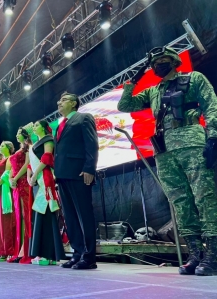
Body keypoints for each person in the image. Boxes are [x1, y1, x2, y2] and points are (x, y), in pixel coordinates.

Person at [117, 47, 217, 276]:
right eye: (156, 63)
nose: (159, 65)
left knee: (205, 197)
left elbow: (211, 105)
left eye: (163, 60)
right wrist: (132, 82)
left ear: (173, 61)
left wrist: (213, 135)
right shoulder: (153, 91)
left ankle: (213, 255)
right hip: (164, 150)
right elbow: (125, 106)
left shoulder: (194, 79)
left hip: (192, 141)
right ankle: (195, 254)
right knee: (180, 202)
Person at [54, 91, 99, 270]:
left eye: (63, 100)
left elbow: (91, 144)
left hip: (79, 173)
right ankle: (77, 253)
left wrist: (89, 168)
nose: (59, 103)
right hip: (63, 174)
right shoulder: (59, 125)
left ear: (74, 103)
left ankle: (89, 257)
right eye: (59, 100)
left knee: (83, 215)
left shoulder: (83, 118)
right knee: (70, 217)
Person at [28, 120, 66, 265]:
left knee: (47, 214)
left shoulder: (48, 139)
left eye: (37, 125)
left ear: (44, 128)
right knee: (40, 215)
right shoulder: (34, 144)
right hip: (38, 180)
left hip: (45, 179)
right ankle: (43, 253)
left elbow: (47, 157)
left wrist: (35, 173)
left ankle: (48, 253)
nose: (34, 127)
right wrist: (31, 176)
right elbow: (32, 163)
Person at [8, 127, 32, 264]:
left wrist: (16, 178)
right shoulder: (18, 150)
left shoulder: (27, 148)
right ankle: (19, 250)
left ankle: (27, 250)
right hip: (16, 184)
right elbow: (12, 167)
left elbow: (27, 164)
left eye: (19, 133)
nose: (16, 135)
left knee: (26, 216)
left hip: (23, 183)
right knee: (18, 217)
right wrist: (11, 178)